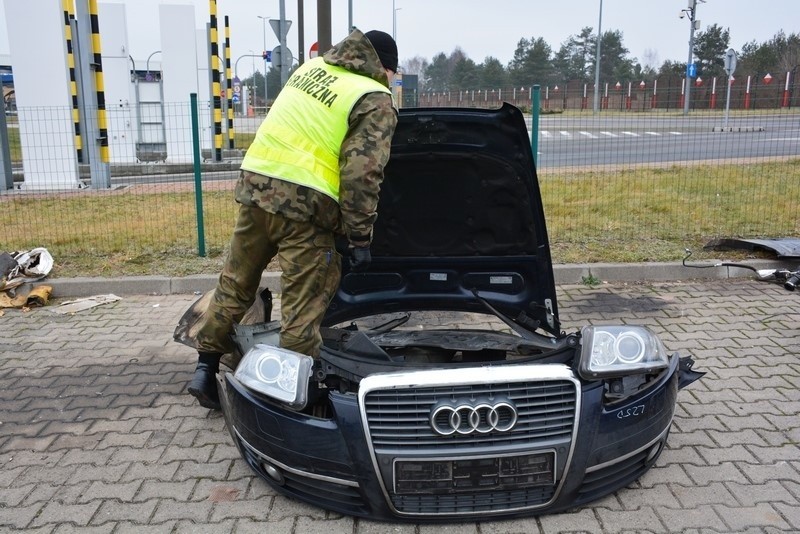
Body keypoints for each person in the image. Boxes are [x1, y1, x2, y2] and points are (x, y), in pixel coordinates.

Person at [187, 29, 399, 410]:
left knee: (235, 284)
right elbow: (362, 174)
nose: (392, 82)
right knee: (303, 309)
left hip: (257, 186)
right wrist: (359, 237)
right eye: (393, 75)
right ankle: (285, 401)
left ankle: (205, 368)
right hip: (306, 207)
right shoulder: (373, 97)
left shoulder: (313, 68)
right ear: (385, 68)